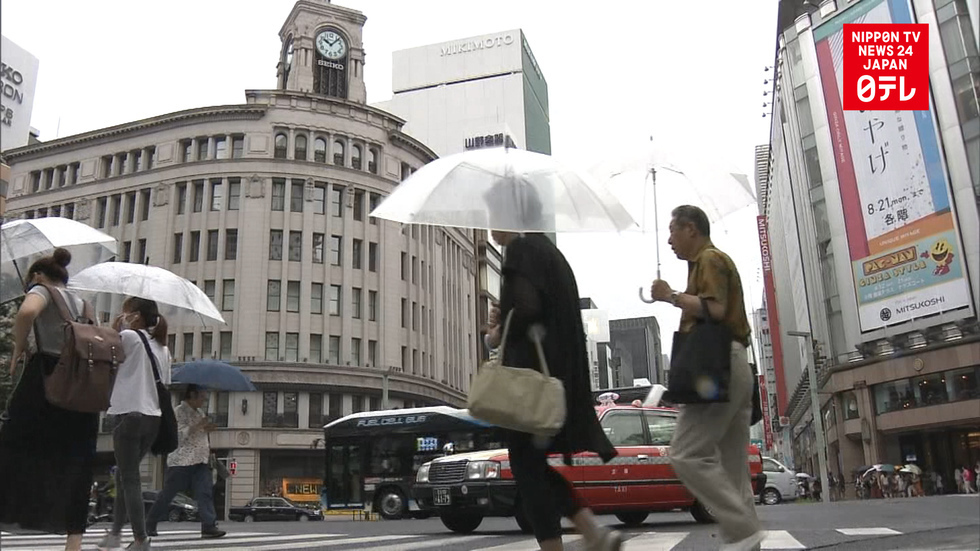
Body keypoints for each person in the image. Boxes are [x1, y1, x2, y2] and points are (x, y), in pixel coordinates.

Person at [483, 181, 620, 551]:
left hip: (529, 383)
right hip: (554, 379)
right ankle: (592, 531)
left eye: (494, 214)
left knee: (527, 468)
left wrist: (499, 328)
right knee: (531, 464)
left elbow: (528, 311)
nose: (490, 226)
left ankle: (566, 541)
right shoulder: (547, 251)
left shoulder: (521, 250)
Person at [650, 205, 763, 551]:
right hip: (734, 364)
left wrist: (670, 296)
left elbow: (714, 309)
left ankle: (741, 527)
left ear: (691, 229)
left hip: (718, 367)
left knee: (684, 452)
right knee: (733, 469)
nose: (669, 239)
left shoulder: (710, 260)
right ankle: (746, 541)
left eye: (673, 231)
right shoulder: (704, 264)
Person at [0, 248, 99, 551]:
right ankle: (74, 540)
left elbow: (27, 312)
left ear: (38, 276)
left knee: (12, 447)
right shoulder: (84, 303)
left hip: (46, 374)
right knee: (77, 459)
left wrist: (18, 348)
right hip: (81, 385)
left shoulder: (43, 290)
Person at [97, 298, 172, 551]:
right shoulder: (163, 348)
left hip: (129, 413)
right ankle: (117, 534)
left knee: (129, 477)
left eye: (126, 312)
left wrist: (114, 330)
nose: (123, 315)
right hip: (153, 418)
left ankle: (140, 539)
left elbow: (106, 357)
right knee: (123, 473)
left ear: (136, 316)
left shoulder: (128, 336)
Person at [145, 385, 226, 539]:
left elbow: (199, 434)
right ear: (192, 395)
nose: (204, 401)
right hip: (182, 461)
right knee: (168, 494)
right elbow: (178, 436)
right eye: (202, 397)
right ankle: (150, 522)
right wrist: (197, 426)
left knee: (205, 492)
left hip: (201, 460)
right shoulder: (178, 412)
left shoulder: (200, 413)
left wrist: (206, 428)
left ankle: (209, 526)